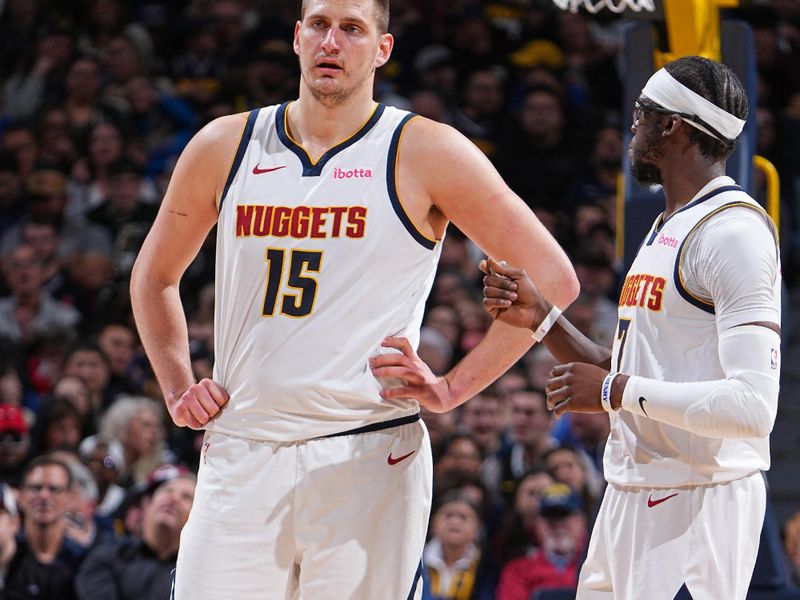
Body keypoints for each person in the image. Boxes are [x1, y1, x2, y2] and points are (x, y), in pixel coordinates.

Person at [129, 0, 579, 598]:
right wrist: (177, 386)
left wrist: (452, 389)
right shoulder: (225, 143)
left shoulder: (425, 150)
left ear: (382, 48)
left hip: (367, 453)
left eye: (351, 29)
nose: (331, 43)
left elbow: (553, 277)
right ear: (296, 38)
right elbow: (154, 275)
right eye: (318, 25)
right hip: (242, 446)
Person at [481, 55, 782, 600]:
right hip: (631, 489)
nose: (632, 123)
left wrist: (615, 393)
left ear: (673, 126)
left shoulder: (734, 233)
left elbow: (753, 408)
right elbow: (638, 369)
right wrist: (539, 315)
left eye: (642, 111)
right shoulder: (668, 223)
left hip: (697, 500)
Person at [74, 470, 196, 600]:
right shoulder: (109, 555)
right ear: (147, 505)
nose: (173, 498)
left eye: (186, 497)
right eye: (167, 490)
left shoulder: (197, 577)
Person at [495, 483, 587, 600]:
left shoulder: (598, 567)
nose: (558, 524)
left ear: (582, 521)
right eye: (550, 517)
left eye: (565, 516)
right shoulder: (517, 571)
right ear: (537, 524)